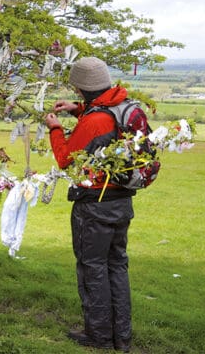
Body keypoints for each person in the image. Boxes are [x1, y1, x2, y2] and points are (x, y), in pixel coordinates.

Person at [43, 57, 134, 352]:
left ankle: (98, 336)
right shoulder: (121, 105)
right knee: (117, 266)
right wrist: (76, 110)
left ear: (81, 89)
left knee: (92, 267)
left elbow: (68, 161)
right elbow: (104, 121)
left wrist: (56, 129)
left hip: (94, 205)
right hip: (121, 203)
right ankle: (122, 336)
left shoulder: (95, 120)